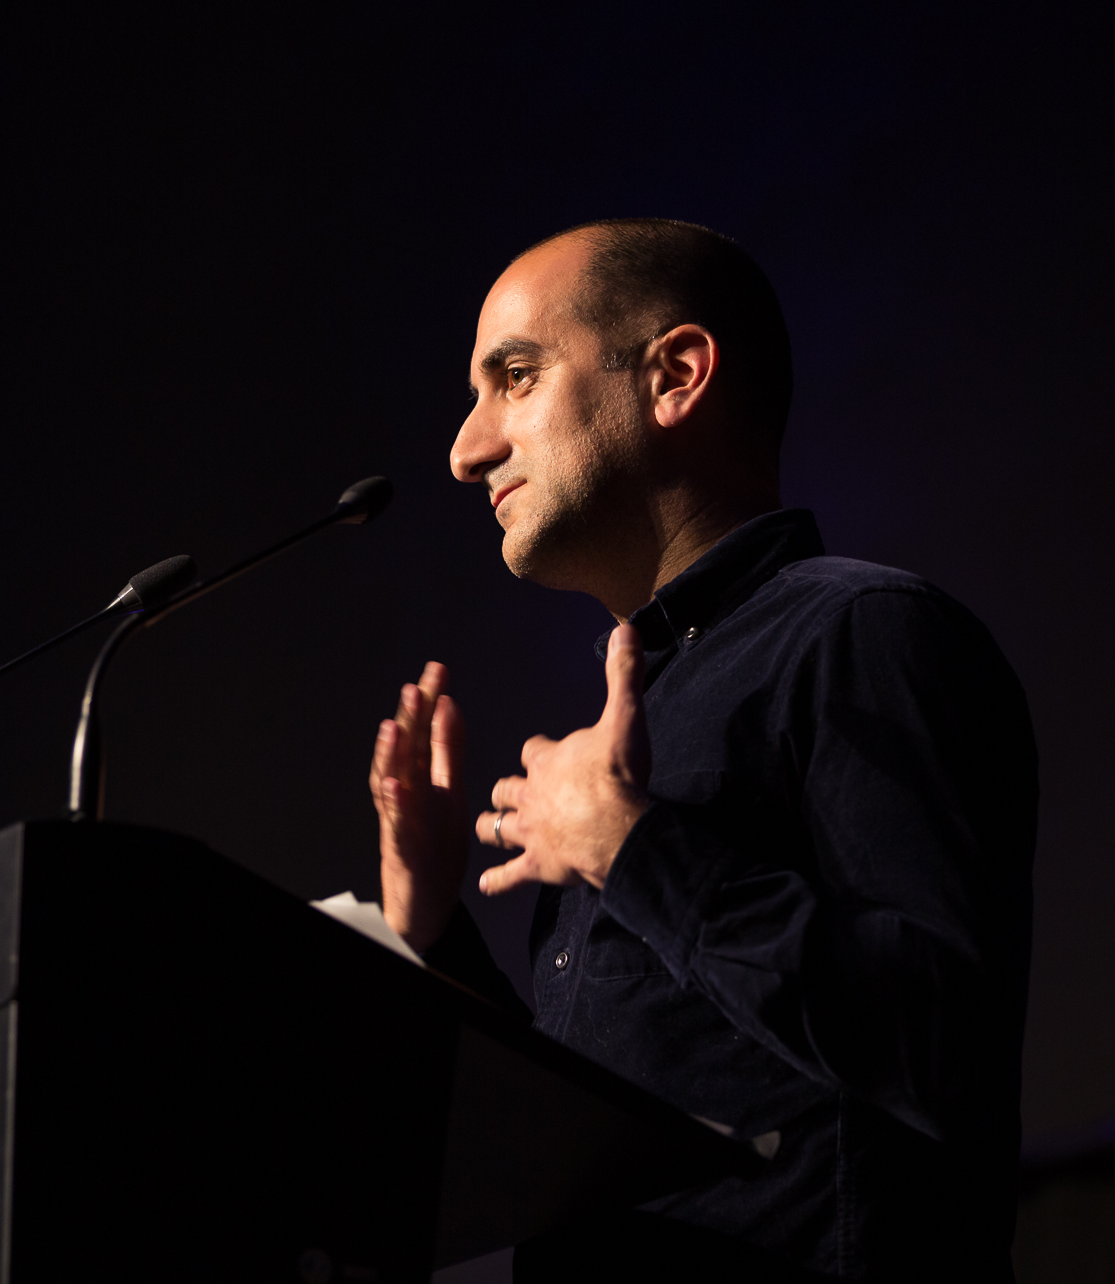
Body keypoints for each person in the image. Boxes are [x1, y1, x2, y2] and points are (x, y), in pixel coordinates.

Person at [369, 220, 1035, 1280]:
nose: (465, 449)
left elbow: (943, 1046)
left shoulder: (861, 634)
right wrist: (436, 930)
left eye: (516, 378)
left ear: (674, 376)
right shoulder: (641, 709)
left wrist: (633, 851)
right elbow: (595, 1140)